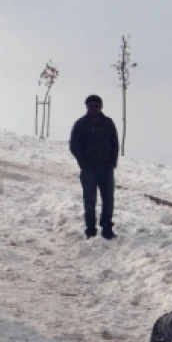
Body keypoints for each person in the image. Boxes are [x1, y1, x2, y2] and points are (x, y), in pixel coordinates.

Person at [68, 94, 119, 239]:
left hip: (106, 169)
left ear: (101, 107)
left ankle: (107, 227)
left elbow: (114, 144)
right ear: (87, 107)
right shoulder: (81, 124)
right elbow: (74, 146)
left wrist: (111, 163)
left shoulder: (108, 123)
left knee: (108, 199)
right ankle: (90, 230)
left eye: (96, 106)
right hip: (89, 170)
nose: (94, 108)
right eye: (91, 106)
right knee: (90, 201)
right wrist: (84, 164)